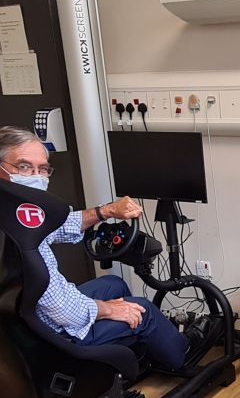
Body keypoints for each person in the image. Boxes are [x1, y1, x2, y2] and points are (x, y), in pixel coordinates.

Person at [0, 125, 199, 370]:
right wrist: (107, 309)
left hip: (34, 320)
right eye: (23, 167)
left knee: (114, 285)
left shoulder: (11, 213)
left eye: (42, 169)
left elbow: (59, 226)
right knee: (142, 309)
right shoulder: (18, 237)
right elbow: (61, 310)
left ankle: (125, 357)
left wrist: (105, 212)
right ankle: (183, 353)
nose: (35, 176)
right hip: (54, 334)